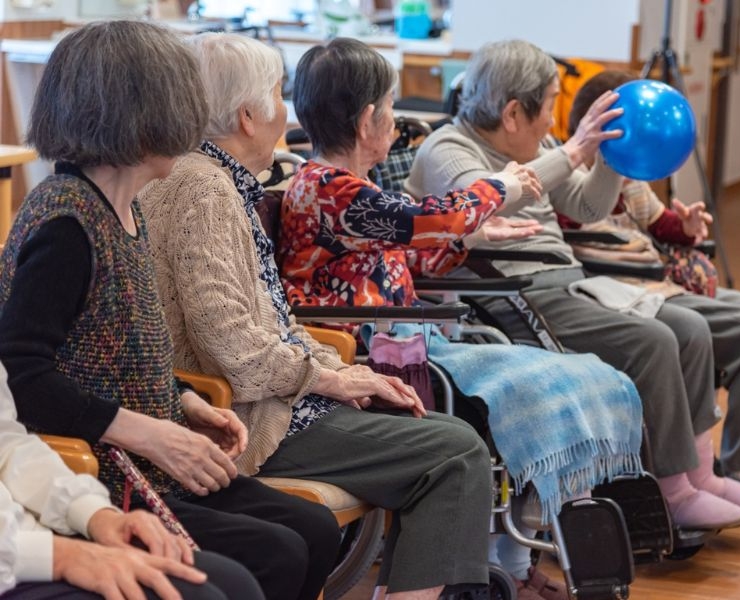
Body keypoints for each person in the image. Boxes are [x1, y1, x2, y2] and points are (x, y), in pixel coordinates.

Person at [275, 38, 648, 600]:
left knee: (582, 372)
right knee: (543, 380)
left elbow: (411, 255)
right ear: (368, 120)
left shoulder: (354, 189)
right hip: (365, 355)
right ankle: (507, 550)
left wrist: (471, 237)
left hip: (409, 341)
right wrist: (502, 187)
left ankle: (520, 547)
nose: (395, 119)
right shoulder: (326, 188)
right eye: (390, 107)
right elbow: (427, 217)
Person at [138, 33, 493, 600]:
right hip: (247, 414)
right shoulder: (204, 189)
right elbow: (234, 348)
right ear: (248, 116)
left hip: (270, 396)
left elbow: (270, 322)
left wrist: (342, 371)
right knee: (455, 452)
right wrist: (330, 379)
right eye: (278, 96)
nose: (287, 114)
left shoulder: (215, 181)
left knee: (448, 437)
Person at [0, 21, 340, 600]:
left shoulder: (124, 208)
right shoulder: (66, 225)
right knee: (278, 552)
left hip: (150, 457)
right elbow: (23, 377)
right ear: (145, 118)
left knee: (313, 528)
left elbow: (116, 353)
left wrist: (184, 401)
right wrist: (152, 434)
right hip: (104, 471)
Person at [406, 39, 740, 530]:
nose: (552, 121)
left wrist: (607, 159)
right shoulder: (449, 149)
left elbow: (585, 207)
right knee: (654, 341)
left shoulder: (537, 147)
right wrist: (574, 150)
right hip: (512, 294)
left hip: (567, 283)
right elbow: (485, 200)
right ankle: (674, 491)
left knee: (689, 329)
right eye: (549, 105)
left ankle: (701, 474)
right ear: (513, 114)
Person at [564, 68, 740, 509]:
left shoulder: (632, 175)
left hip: (662, 281)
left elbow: (660, 224)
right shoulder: (575, 179)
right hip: (632, 291)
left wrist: (686, 226)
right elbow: (576, 219)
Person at [0, 362, 264, 600]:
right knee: (205, 589)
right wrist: (59, 556)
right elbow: (30, 373)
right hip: (18, 558)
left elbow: (9, 445)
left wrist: (94, 514)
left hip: (25, 534)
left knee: (233, 582)